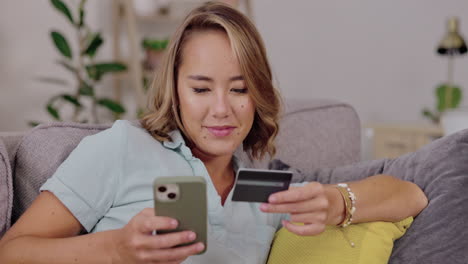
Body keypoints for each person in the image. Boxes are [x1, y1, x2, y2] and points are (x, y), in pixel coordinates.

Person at [0, 2, 428, 264]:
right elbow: (12, 252)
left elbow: (410, 195)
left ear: (258, 93)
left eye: (239, 89)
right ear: (176, 91)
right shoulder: (122, 147)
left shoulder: (264, 186)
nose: (221, 109)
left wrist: (337, 201)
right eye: (201, 88)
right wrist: (115, 251)